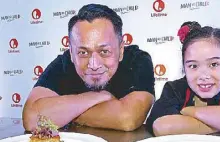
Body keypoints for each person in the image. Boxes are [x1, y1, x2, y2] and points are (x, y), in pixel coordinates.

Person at [23, 4, 155, 131]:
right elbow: (31, 118)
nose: (94, 65)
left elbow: (128, 119)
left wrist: (64, 115)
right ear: (71, 52)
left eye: (104, 51)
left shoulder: (137, 60)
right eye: (83, 53)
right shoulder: (64, 63)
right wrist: (99, 96)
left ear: (121, 50)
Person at [146, 21, 220, 136]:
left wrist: (190, 111)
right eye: (193, 66)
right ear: (184, 67)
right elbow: (164, 127)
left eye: (214, 64)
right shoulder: (174, 90)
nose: (203, 75)